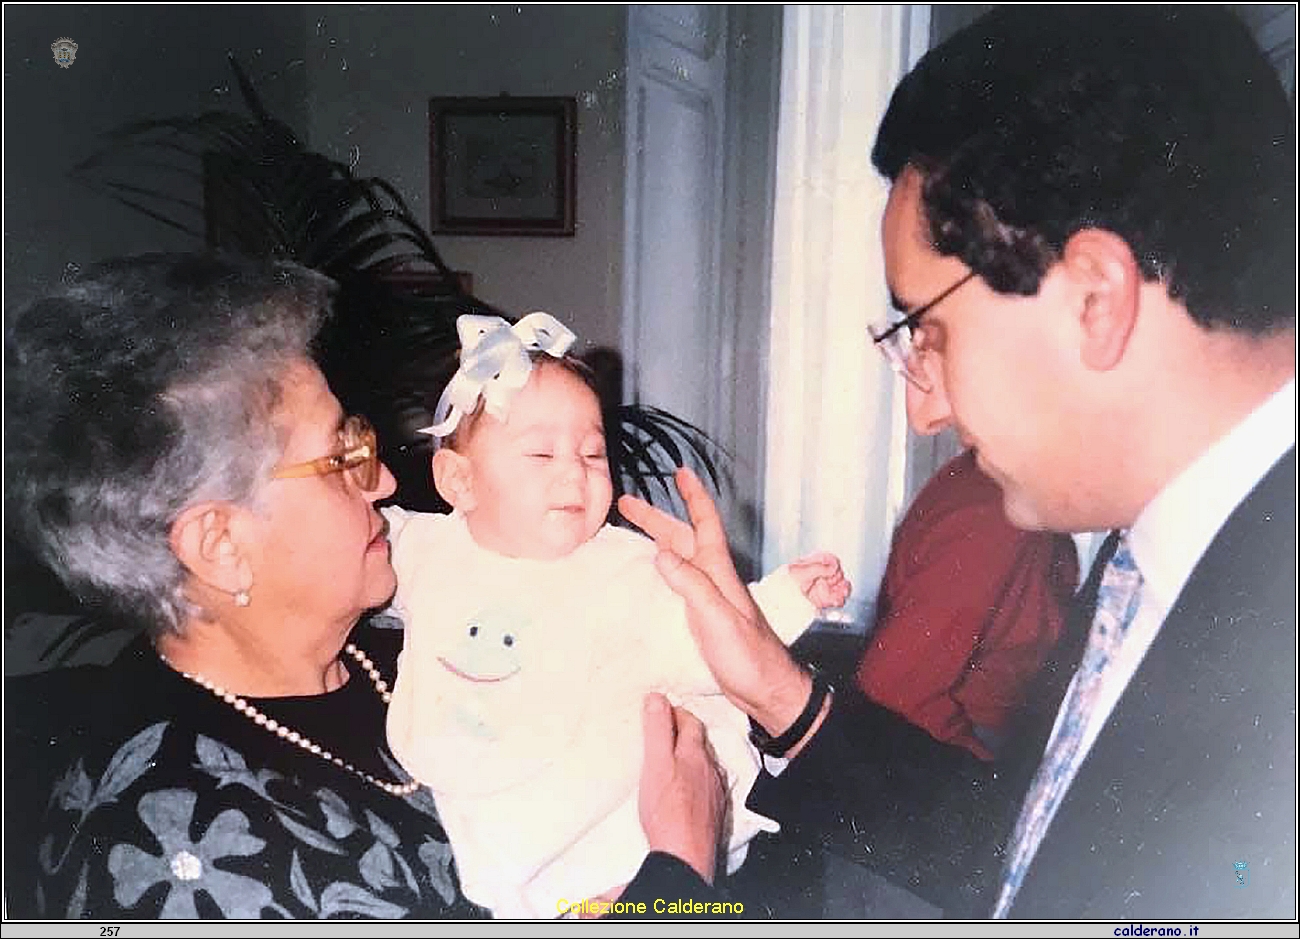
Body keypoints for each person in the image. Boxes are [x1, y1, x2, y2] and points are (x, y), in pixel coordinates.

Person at [624, 5, 1295, 920]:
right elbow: (1027, 852)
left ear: (1095, 299)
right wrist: (775, 686)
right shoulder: (1150, 560)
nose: (924, 408)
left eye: (929, 333)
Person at [3, 254, 731, 918]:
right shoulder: (183, 845)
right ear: (222, 547)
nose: (382, 480)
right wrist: (678, 879)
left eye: (362, 438)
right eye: (340, 458)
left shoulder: (394, 635)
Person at [381, 311, 850, 917]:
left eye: (593, 453)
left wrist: (786, 598)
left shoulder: (620, 569)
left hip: (612, 850)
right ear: (459, 482)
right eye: (542, 453)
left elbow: (708, 632)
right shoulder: (429, 551)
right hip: (489, 835)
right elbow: (342, 539)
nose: (574, 472)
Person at [856, 446, 1079, 761]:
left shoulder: (992, 480)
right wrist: (987, 776)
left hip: (983, 731)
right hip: (960, 739)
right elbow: (893, 688)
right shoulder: (996, 508)